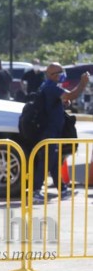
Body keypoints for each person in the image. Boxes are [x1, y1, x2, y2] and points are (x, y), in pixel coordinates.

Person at [32, 63, 89, 203]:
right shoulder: (51, 87)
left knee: (55, 161)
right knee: (46, 162)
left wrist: (63, 103)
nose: (62, 73)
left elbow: (59, 100)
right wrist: (82, 83)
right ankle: (35, 191)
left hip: (53, 131)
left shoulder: (50, 86)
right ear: (53, 74)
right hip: (49, 131)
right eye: (60, 71)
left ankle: (62, 189)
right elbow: (72, 94)